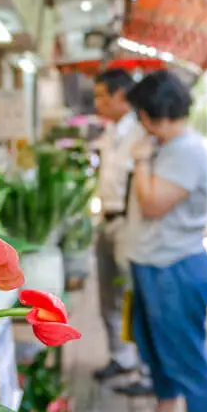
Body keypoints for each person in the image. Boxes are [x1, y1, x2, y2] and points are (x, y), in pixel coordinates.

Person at [120, 70, 207, 412]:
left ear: (147, 113)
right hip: (153, 264)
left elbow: (155, 203)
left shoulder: (185, 150)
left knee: (187, 358)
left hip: (175, 267)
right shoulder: (167, 144)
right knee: (156, 351)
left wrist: (140, 161)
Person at [90, 69, 143, 382]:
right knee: (107, 295)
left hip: (129, 224)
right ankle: (120, 358)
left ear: (120, 96)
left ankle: (144, 366)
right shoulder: (109, 134)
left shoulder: (141, 133)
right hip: (106, 221)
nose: (97, 102)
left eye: (101, 95)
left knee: (132, 296)